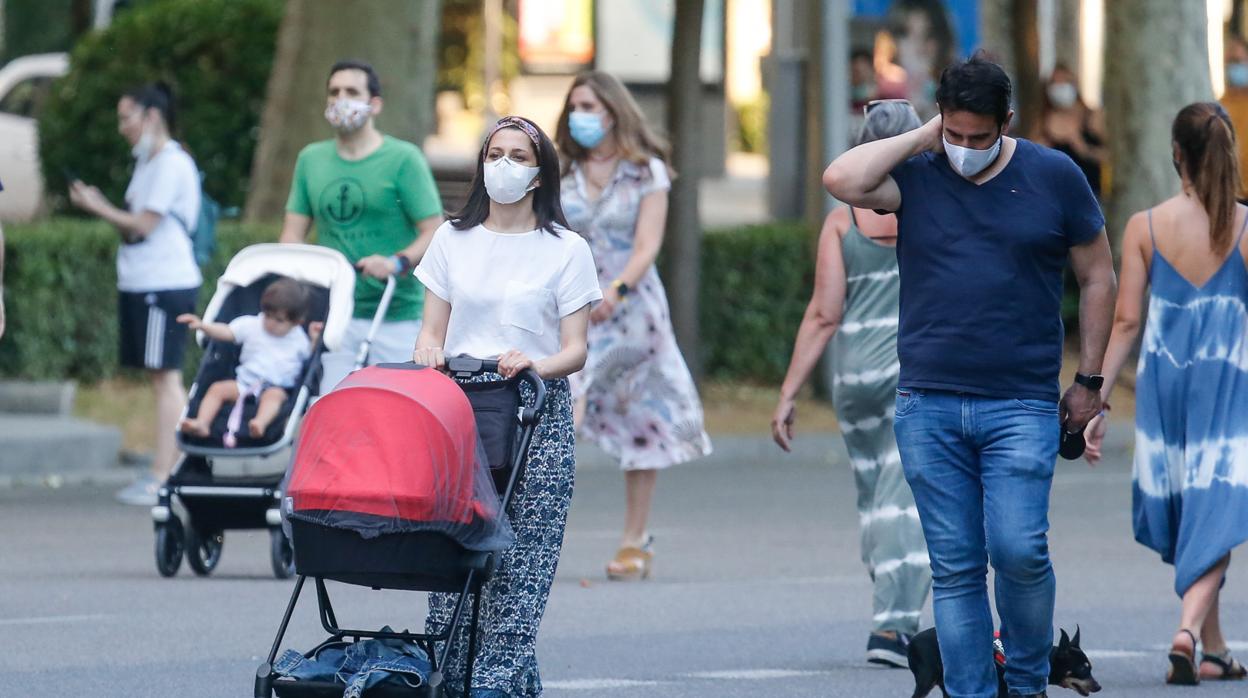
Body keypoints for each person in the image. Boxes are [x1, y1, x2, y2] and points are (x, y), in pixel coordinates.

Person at [823, 54, 1117, 698]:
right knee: (955, 570)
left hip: (1021, 404)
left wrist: (1090, 383)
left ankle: (1028, 683)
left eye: (978, 137)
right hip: (927, 403)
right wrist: (927, 136)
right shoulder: (920, 175)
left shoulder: (1053, 175)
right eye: (953, 134)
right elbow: (840, 178)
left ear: (1006, 122)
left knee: (1019, 552)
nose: (963, 149)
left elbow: (1099, 274)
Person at [413, 115, 601, 697]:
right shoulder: (452, 239)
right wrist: (428, 355)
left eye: (520, 156)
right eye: (496, 153)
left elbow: (575, 350)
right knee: (455, 565)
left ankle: (495, 683)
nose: (505, 166)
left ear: (541, 172)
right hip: (459, 410)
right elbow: (430, 331)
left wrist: (531, 365)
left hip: (532, 410)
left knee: (520, 568)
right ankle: (462, 680)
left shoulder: (566, 250)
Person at [1083, 102, 1248, 685]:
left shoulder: (1144, 227)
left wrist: (1095, 401)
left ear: (1176, 153)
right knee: (1220, 507)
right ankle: (1185, 634)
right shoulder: (1246, 229)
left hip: (1165, 387)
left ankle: (1216, 648)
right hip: (1229, 389)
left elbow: (1125, 324)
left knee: (1197, 511)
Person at [771, 100, 931, 669]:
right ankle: (892, 627)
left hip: (855, 379)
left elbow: (822, 314)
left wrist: (789, 393)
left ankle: (890, 600)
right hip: (914, 368)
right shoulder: (928, 210)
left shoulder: (843, 221)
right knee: (903, 500)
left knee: (875, 498)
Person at [554, 70, 711, 581]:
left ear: (614, 111)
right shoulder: (559, 172)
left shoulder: (647, 172)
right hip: (571, 308)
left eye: (591, 106)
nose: (581, 115)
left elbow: (648, 244)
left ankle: (634, 538)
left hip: (631, 311)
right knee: (559, 411)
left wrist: (615, 290)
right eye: (575, 105)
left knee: (640, 422)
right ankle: (529, 530)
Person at [69, 82, 202, 506]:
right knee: (159, 376)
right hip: (144, 281)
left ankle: (167, 473)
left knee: (166, 377)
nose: (122, 126)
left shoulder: (170, 164)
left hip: (164, 282)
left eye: (127, 117)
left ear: (151, 116)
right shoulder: (148, 162)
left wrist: (96, 205)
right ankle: (167, 469)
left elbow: (142, 225)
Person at [281, 59, 444, 394]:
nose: (341, 99)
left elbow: (434, 229)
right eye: (334, 92)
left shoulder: (403, 159)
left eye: (351, 92)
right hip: (337, 312)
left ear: (374, 104)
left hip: (396, 311)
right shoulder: (311, 159)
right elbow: (292, 234)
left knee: (398, 410)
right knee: (334, 408)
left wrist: (396, 262)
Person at [176, 277, 321, 440]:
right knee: (218, 389)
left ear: (296, 322)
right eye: (268, 315)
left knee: (274, 398)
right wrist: (203, 326)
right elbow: (227, 332)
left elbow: (309, 358)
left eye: (279, 320)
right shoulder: (252, 325)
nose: (271, 323)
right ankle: (202, 423)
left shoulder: (298, 339)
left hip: (276, 386)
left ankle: (259, 423)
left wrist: (315, 339)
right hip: (245, 382)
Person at [1037, 64, 1106, 197]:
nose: (1060, 87)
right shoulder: (1043, 121)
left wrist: (1085, 150)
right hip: (1057, 196)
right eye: (1055, 83)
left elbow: (1109, 155)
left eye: (1065, 82)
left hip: (1090, 195)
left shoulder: (1092, 116)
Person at [1220, 33, 1248, 199]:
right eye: (1229, 62)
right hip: (1230, 199)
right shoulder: (1218, 107)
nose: (1232, 67)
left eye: (1237, 61)